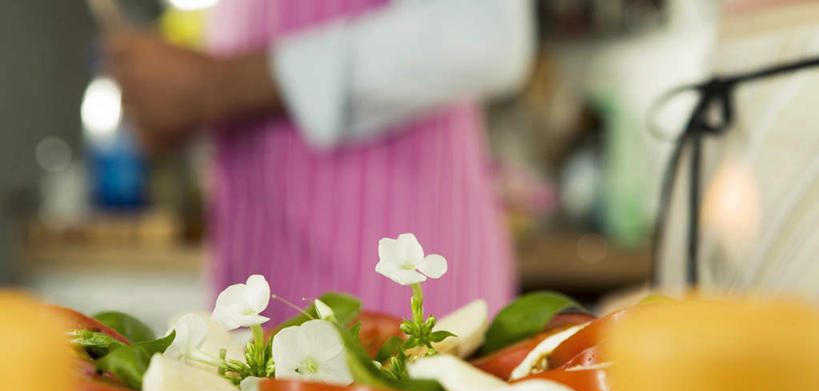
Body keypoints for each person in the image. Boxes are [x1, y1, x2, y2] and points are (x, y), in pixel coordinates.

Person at [108, 0, 535, 324]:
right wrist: (179, 101)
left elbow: (482, 35)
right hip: (260, 282)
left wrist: (219, 84)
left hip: (399, 297)